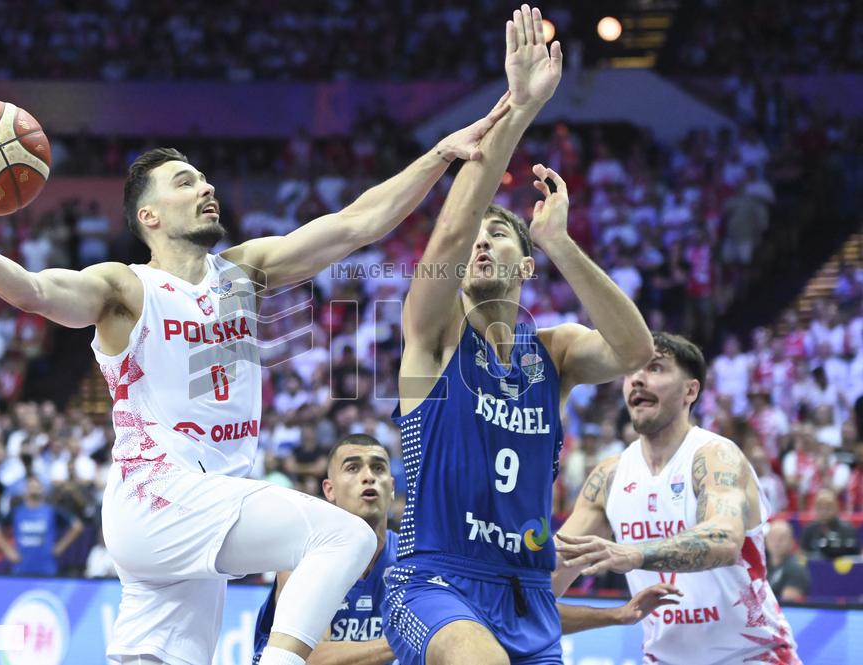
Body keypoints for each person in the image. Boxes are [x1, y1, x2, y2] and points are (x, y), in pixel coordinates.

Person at [0, 77, 510, 665]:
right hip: (161, 496)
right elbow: (34, 291)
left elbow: (359, 223)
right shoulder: (126, 285)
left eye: (204, 178)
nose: (206, 187)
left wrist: (439, 155)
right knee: (346, 535)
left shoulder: (243, 271)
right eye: (185, 181)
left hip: (196, 511)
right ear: (147, 215)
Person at [383, 7, 656, 664]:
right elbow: (450, 229)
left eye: (499, 233)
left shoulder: (554, 351)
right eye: (479, 231)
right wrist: (521, 109)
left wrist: (559, 240)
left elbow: (634, 351)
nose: (480, 240)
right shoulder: (433, 336)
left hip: (527, 591)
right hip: (433, 580)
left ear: (526, 263)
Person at [254, 435, 679, 665]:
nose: (370, 477)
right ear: (328, 490)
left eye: (379, 468)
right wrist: (422, 636)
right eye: (354, 468)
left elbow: (499, 617)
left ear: (391, 485)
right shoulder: (303, 560)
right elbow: (313, 660)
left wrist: (617, 616)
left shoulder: (417, 554)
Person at [553, 332, 800, 664]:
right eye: (631, 370)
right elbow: (537, 592)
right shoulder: (608, 478)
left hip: (752, 656)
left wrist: (634, 554)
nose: (638, 378)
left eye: (655, 368)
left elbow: (723, 540)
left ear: (690, 390)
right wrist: (612, 617)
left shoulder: (715, 456)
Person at [0, 475, 83, 576]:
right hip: (21, 567)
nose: (33, 490)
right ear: (25, 490)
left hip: (47, 567)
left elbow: (77, 526)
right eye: (30, 487)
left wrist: (60, 547)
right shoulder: (16, 511)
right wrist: (8, 551)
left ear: (42, 490)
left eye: (37, 487)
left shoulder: (51, 510)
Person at [799, 488, 860, 559]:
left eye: (828, 507)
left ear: (837, 508)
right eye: (820, 507)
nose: (824, 511)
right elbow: (803, 556)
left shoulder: (847, 530)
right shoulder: (809, 530)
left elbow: (856, 558)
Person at [765, 519, 811, 602]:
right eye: (773, 537)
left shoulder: (796, 568)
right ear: (766, 540)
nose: (777, 542)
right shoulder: (762, 566)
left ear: (792, 542)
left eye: (782, 538)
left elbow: (788, 603)